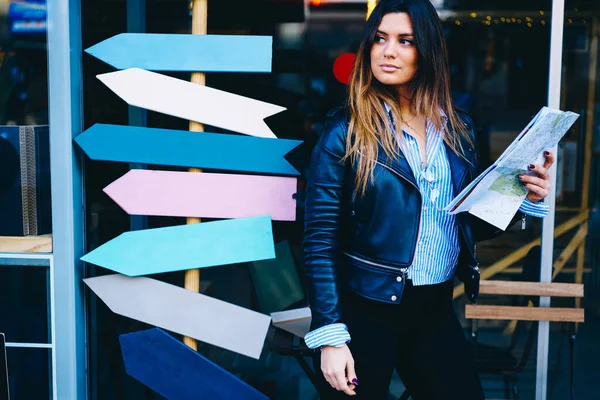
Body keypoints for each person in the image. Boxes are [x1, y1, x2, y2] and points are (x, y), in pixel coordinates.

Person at [302, 1, 553, 399]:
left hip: (434, 307)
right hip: (366, 307)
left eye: (406, 41)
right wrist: (331, 335)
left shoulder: (458, 128)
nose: (389, 51)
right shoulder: (345, 132)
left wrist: (524, 196)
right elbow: (319, 240)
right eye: (380, 39)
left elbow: (462, 223)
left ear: (429, 51)